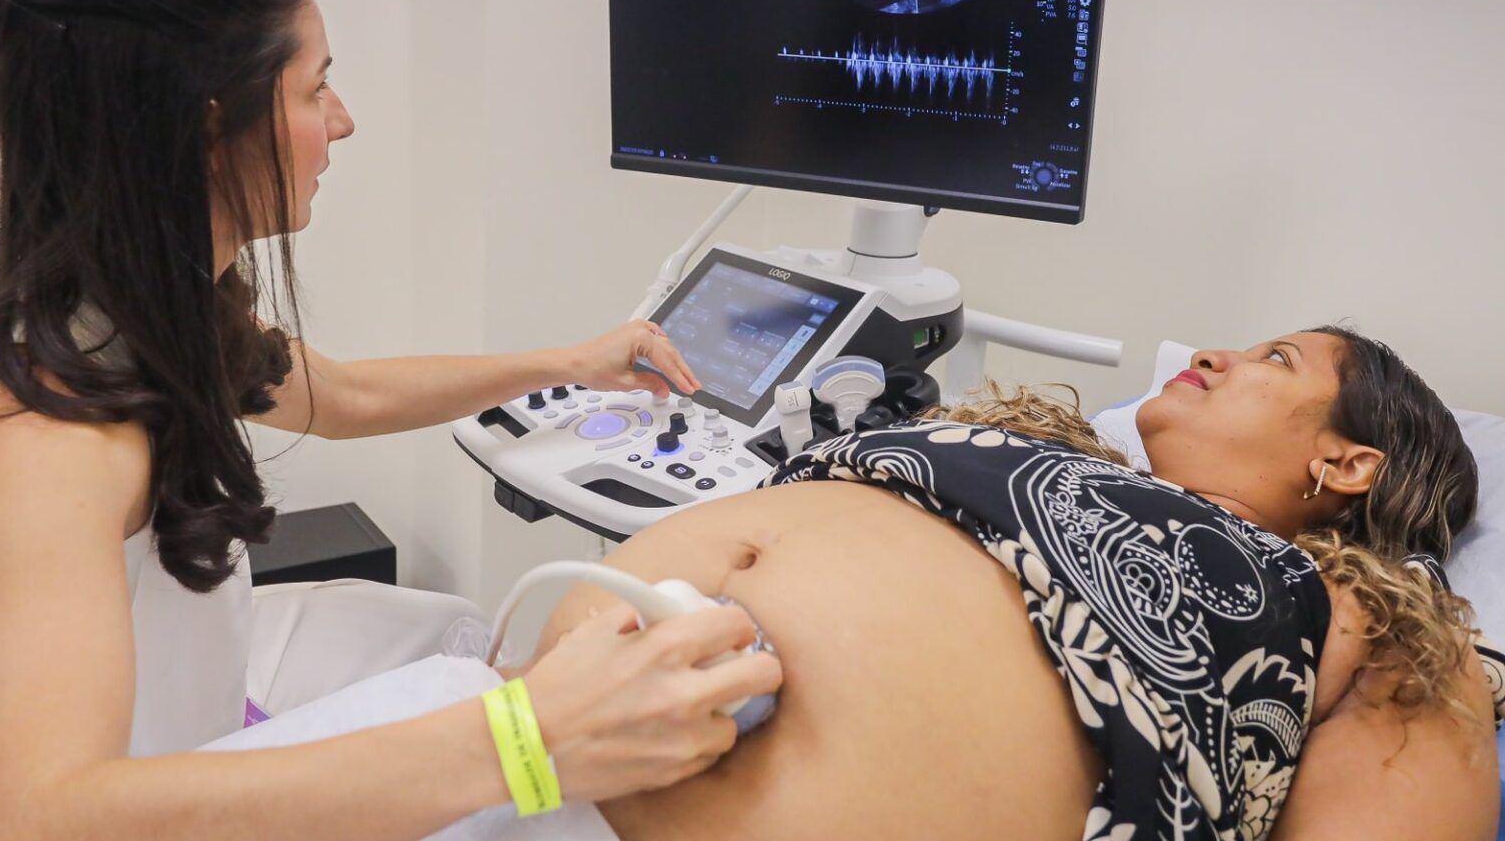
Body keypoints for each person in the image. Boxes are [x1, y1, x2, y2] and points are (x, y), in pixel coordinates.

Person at [0, 0, 780, 839]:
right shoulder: (52, 434)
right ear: (204, 125)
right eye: (315, 89)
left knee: (454, 637)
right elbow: (40, 816)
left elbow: (343, 395)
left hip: (192, 707)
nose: (342, 121)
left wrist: (570, 362)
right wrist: (530, 738)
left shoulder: (144, 310)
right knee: (543, 789)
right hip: (137, 797)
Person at [528, 329, 1504, 841]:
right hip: (517, 764)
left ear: (1349, 465)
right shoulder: (1041, 452)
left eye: (1275, 359)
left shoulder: (1386, 633)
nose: (1213, 353)